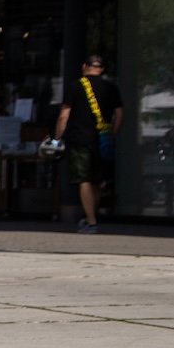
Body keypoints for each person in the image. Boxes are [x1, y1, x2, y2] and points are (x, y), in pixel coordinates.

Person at [54, 55, 125, 233]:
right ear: (101, 69)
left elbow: (64, 115)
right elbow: (120, 115)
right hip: (102, 139)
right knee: (97, 181)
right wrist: (112, 135)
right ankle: (90, 217)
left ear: (84, 66)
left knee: (83, 179)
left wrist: (57, 138)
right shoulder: (111, 87)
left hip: (79, 139)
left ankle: (92, 222)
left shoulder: (76, 86)